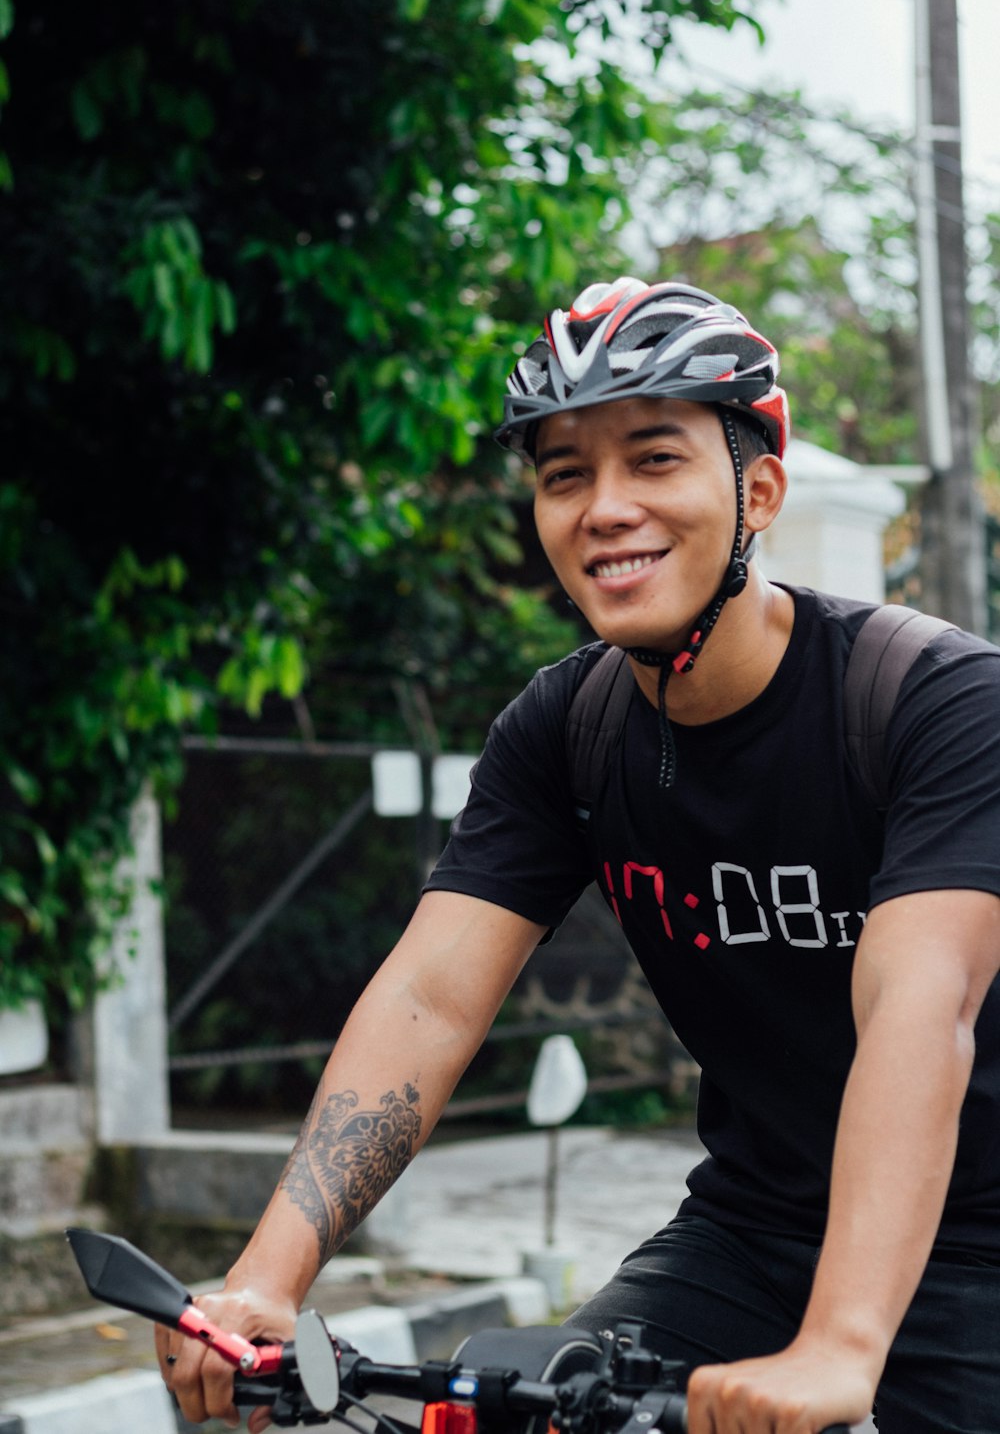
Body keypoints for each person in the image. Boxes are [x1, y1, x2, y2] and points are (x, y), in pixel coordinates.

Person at [158, 278, 1000, 1434]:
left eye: (653, 459)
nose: (604, 508)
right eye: (566, 474)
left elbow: (923, 1007)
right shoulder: (566, 732)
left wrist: (839, 1346)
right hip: (750, 1236)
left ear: (758, 488)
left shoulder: (933, 704)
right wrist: (267, 1278)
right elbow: (429, 997)